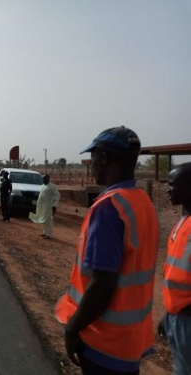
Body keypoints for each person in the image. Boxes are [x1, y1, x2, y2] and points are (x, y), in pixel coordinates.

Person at [54, 126, 159, 374]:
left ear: (104, 158)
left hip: (103, 342)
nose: (91, 166)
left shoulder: (109, 208)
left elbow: (103, 284)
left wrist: (72, 328)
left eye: (93, 158)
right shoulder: (142, 202)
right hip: (130, 343)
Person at [159, 162, 191, 374]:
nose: (168, 189)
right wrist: (168, 316)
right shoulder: (182, 223)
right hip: (176, 318)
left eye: (173, 184)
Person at [29, 174, 61, 239]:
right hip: (42, 206)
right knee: (43, 219)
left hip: (49, 206)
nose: (43, 180)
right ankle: (44, 232)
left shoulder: (52, 187)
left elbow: (57, 195)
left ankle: (49, 235)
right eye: (43, 179)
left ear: (48, 179)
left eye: (45, 179)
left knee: (48, 220)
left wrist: (54, 205)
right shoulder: (43, 185)